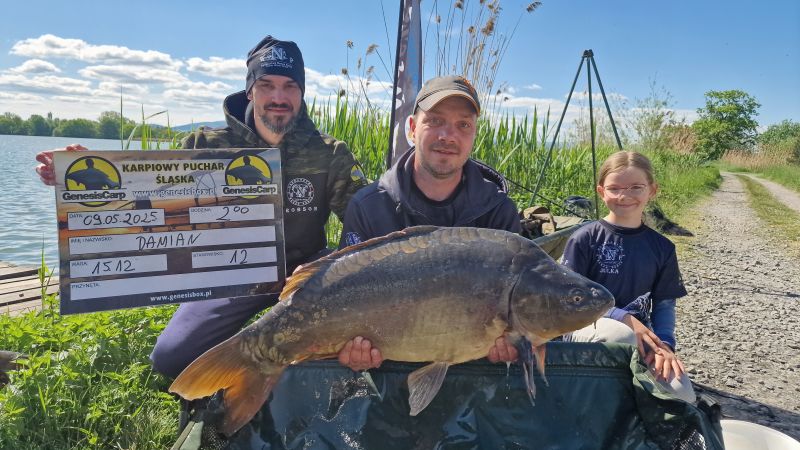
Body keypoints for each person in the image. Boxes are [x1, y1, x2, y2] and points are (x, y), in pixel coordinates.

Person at [35, 35, 369, 378]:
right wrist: (78, 173)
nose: (279, 97)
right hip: (227, 274)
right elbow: (147, 197)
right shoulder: (204, 144)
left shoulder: (330, 153)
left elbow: (365, 219)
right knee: (171, 358)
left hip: (304, 274)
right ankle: (224, 382)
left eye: (290, 86)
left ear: (302, 92)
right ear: (250, 91)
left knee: (332, 355)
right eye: (267, 85)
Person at [335, 75, 523, 371]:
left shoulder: (499, 212)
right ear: (412, 128)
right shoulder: (368, 207)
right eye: (435, 121)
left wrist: (515, 343)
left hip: (470, 371)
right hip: (386, 368)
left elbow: (513, 315)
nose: (448, 136)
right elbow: (341, 295)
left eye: (463, 125)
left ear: (474, 135)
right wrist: (349, 351)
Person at [560, 151, 695, 403]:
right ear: (601, 192)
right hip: (586, 327)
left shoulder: (662, 247)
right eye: (615, 188)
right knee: (621, 336)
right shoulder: (584, 239)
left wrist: (665, 345)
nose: (625, 196)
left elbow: (664, 304)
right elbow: (568, 300)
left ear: (652, 190)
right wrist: (623, 318)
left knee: (682, 397)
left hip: (641, 335)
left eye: (636, 187)